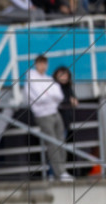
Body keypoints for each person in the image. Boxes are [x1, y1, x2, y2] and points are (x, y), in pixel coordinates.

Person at [25, 54, 72, 182]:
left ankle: (61, 171)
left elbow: (59, 96)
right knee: (52, 144)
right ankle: (59, 172)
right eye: (40, 63)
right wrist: (49, 94)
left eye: (44, 63)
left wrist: (47, 94)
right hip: (43, 114)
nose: (43, 66)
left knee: (61, 142)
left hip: (54, 112)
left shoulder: (48, 78)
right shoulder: (31, 77)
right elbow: (40, 97)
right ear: (36, 64)